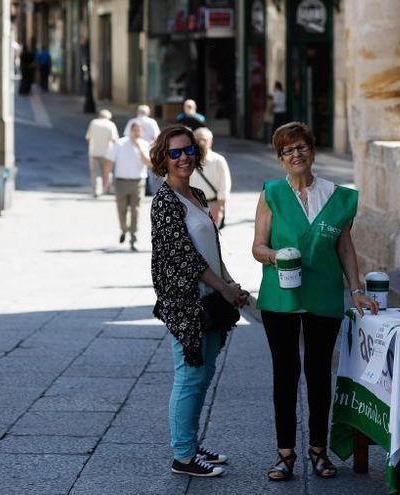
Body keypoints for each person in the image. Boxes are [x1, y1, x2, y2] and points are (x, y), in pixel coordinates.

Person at [252, 122, 379, 481]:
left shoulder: (339, 197)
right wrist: (276, 256)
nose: (296, 155)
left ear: (312, 150)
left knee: (320, 374)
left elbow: (345, 246)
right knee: (286, 374)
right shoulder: (272, 194)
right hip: (280, 298)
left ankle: (320, 451)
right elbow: (258, 246)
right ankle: (285, 453)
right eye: (287, 151)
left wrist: (356, 289)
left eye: (301, 147)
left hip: (323, 296)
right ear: (280, 158)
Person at [149, 124, 250, 478]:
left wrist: (230, 281)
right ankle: (183, 456)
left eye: (188, 150)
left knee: (203, 372)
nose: (183, 157)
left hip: (210, 299)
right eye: (174, 152)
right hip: (186, 302)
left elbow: (212, 248)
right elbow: (184, 257)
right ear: (163, 158)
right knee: (190, 375)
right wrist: (222, 288)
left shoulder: (197, 195)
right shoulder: (165, 201)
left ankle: (190, 444)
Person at [106, 122, 151, 250]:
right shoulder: (120, 143)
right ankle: (124, 229)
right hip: (121, 181)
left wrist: (140, 148)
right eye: (135, 130)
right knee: (122, 209)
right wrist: (107, 178)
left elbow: (149, 163)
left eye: (139, 131)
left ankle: (133, 235)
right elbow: (110, 161)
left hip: (138, 182)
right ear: (130, 131)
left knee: (135, 210)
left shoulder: (144, 145)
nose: (137, 133)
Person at [189, 128, 231, 228]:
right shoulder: (187, 161)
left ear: (210, 142)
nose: (201, 142)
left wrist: (219, 209)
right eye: (198, 139)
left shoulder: (218, 161)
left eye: (204, 140)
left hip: (213, 205)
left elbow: (224, 187)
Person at [124, 105, 163, 195]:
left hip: (134, 148)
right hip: (149, 148)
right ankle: (147, 189)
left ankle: (138, 188)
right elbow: (157, 137)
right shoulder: (152, 122)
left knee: (137, 168)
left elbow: (126, 135)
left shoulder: (132, 121)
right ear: (148, 112)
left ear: (138, 112)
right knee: (149, 169)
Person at [85, 109, 119, 197]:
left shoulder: (94, 123)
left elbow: (88, 138)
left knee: (95, 172)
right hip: (107, 152)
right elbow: (114, 140)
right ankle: (106, 188)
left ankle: (96, 190)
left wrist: (92, 146)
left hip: (94, 152)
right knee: (107, 172)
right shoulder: (111, 124)